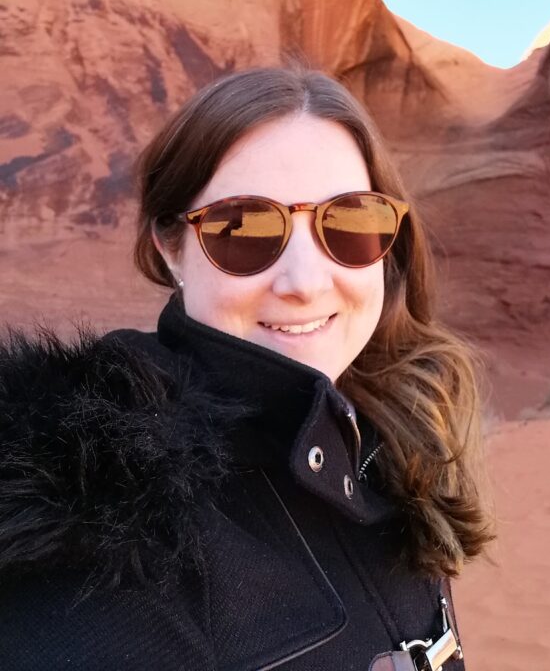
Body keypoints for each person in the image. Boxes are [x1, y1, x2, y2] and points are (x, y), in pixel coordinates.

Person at [0, 65, 493, 670]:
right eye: (245, 229)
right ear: (170, 246)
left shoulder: (385, 442)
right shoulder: (109, 520)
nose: (307, 283)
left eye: (350, 221)